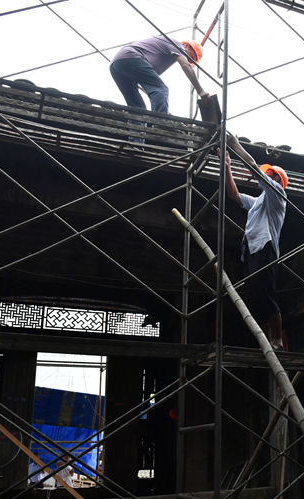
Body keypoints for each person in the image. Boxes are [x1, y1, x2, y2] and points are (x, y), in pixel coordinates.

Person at [223, 150, 288, 351]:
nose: (264, 176)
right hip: (251, 251)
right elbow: (233, 195)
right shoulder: (257, 202)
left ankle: (277, 339)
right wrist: (226, 166)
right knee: (254, 297)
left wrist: (235, 145)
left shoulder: (277, 195)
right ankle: (266, 340)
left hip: (265, 248)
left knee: (267, 293)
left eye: (268, 174)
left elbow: (252, 167)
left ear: (276, 179)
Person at [109, 35, 209, 117]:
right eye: (191, 56)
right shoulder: (177, 45)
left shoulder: (163, 54)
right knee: (161, 89)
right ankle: (160, 125)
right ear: (187, 46)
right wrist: (200, 91)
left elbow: (148, 84)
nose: (189, 60)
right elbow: (186, 66)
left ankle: (137, 139)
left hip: (117, 64)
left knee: (138, 109)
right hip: (131, 57)